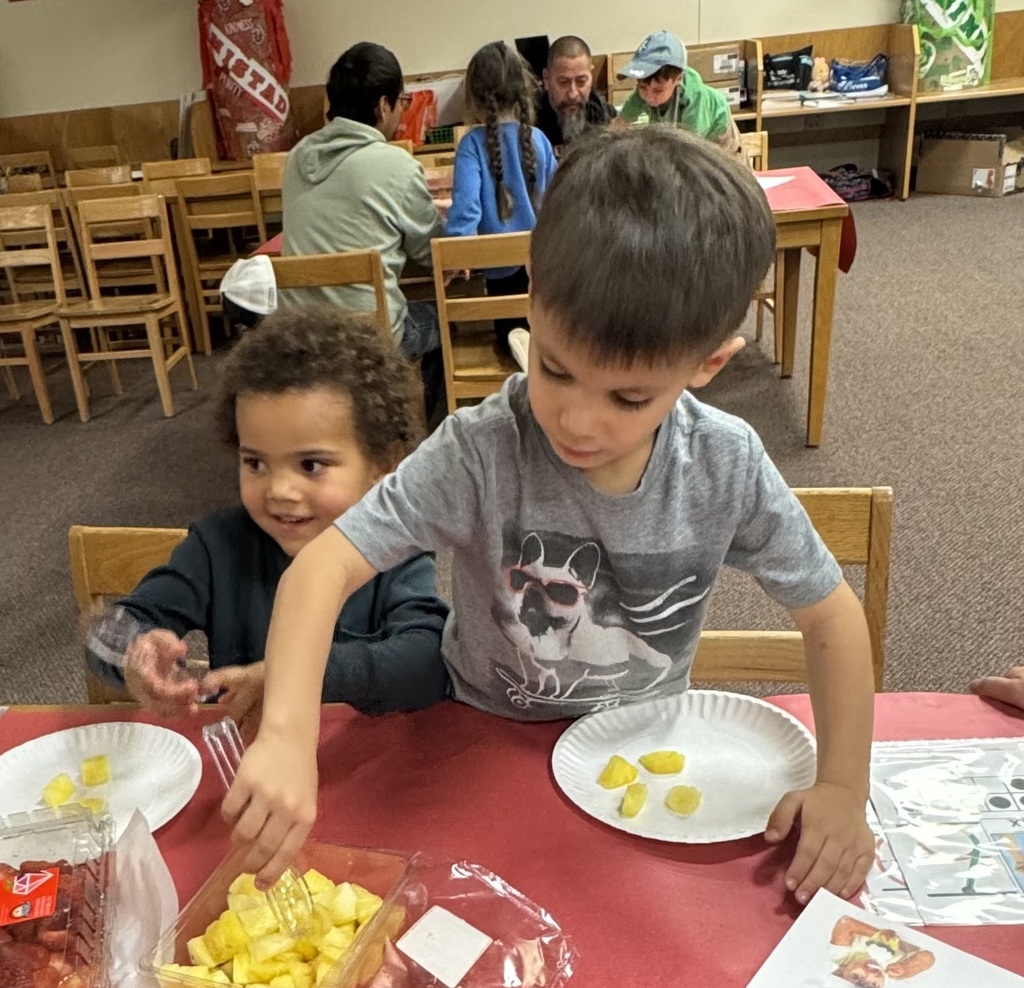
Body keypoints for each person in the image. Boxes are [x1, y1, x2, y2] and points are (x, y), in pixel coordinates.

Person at [222, 131, 876, 909]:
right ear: (532, 293)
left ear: (708, 364)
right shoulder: (480, 449)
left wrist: (841, 783)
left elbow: (831, 615)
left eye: (629, 398)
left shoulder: (724, 462)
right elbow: (321, 569)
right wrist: (290, 737)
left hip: (640, 752)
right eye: (555, 368)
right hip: (485, 740)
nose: (578, 420)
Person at [86, 308, 449, 734]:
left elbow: (427, 664)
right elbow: (107, 631)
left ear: (383, 465)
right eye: (255, 462)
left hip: (362, 766)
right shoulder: (217, 546)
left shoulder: (394, 551)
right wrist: (136, 653)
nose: (279, 490)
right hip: (249, 765)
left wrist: (294, 674)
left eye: (310, 464)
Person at [279, 43, 445, 405]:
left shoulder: (295, 159)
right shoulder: (396, 165)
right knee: (438, 324)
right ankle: (408, 439)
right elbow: (431, 253)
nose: (401, 110)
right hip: (367, 336)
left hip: (300, 334)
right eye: (401, 101)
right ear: (383, 105)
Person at [446, 41, 558, 347]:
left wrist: (457, 251)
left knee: (505, 340)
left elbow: (464, 214)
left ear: (473, 96)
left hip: (500, 279)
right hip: (543, 276)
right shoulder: (540, 140)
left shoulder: (472, 145)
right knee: (540, 343)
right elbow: (557, 207)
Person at [614, 30, 744, 162]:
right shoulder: (648, 87)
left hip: (718, 137)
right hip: (682, 137)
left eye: (658, 90)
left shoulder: (695, 97)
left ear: (678, 79)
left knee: (721, 175)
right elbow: (620, 123)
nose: (649, 96)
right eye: (642, 87)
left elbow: (690, 149)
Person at [535, 35, 617, 151]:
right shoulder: (530, 125)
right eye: (564, 83)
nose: (573, 94)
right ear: (547, 79)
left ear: (591, 77)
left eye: (581, 82)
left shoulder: (605, 117)